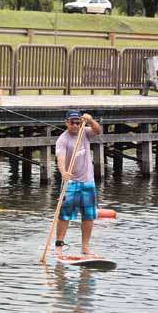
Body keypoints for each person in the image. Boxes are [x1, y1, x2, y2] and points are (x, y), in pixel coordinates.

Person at [55, 110, 102, 256]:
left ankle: (85, 247)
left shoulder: (85, 132)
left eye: (77, 122)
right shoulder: (63, 140)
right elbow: (60, 158)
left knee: (88, 215)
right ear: (66, 123)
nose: (75, 125)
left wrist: (90, 120)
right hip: (71, 182)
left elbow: (98, 130)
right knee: (64, 215)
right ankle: (59, 245)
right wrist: (64, 173)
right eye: (72, 122)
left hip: (88, 181)